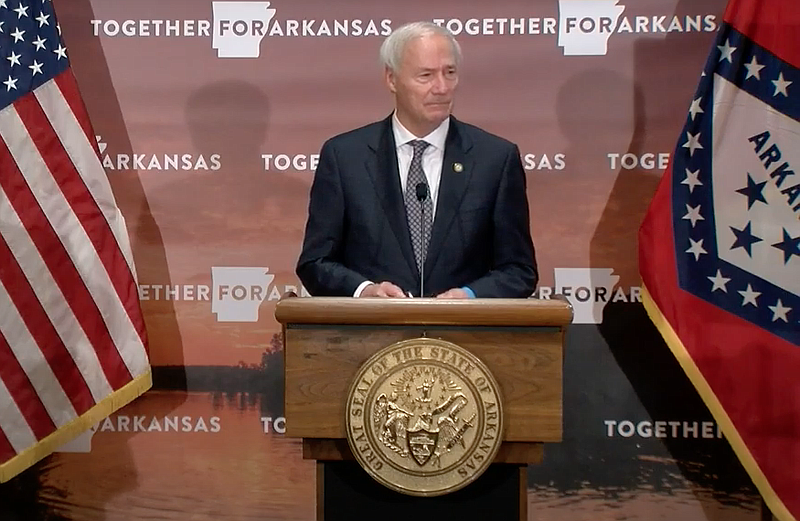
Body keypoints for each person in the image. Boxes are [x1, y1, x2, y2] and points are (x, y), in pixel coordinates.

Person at [296, 21, 537, 298]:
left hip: (464, 335)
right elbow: (315, 263)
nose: (442, 87)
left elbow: (519, 270)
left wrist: (469, 296)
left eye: (450, 73)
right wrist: (364, 291)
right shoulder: (344, 157)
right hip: (370, 333)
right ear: (391, 79)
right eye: (426, 75)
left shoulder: (495, 158)